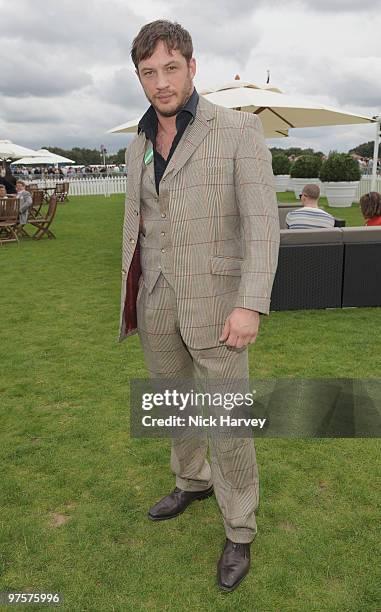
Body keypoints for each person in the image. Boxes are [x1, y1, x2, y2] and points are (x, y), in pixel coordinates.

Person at [119, 20, 279, 592]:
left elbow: (263, 226)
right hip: (157, 298)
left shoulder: (237, 131)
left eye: (170, 68)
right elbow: (142, 222)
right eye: (148, 72)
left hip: (218, 303)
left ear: (192, 66)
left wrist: (250, 304)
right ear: (138, 77)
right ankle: (191, 480)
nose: (160, 83)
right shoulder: (137, 142)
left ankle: (240, 527)